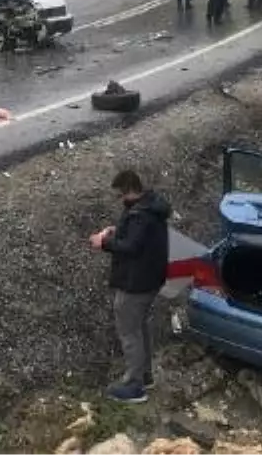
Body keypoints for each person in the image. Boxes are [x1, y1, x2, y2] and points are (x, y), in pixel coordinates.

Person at [90, 169, 171, 404]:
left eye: (119, 196)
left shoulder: (140, 215)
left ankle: (134, 386)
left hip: (135, 284)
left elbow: (131, 247)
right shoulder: (151, 206)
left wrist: (103, 242)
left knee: (129, 332)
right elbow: (137, 238)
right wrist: (118, 231)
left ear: (128, 191)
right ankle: (145, 375)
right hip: (152, 280)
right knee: (141, 326)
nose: (119, 201)